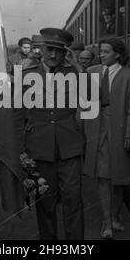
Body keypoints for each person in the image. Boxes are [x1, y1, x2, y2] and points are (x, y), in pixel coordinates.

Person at [15, 28, 85, 240]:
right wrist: (20, 149)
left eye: (58, 51)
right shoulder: (28, 76)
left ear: (65, 53)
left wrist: (78, 67)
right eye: (49, 50)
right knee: (45, 205)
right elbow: (17, 115)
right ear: (41, 50)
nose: (53, 55)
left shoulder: (74, 74)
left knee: (73, 202)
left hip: (69, 149)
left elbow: (98, 97)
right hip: (39, 149)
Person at [82, 37, 130, 239]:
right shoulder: (91, 73)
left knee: (119, 179)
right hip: (97, 132)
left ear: (118, 54)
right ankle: (107, 222)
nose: (101, 55)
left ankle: (115, 217)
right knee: (102, 178)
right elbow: (83, 105)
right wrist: (83, 132)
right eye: (101, 52)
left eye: (106, 52)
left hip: (119, 131)